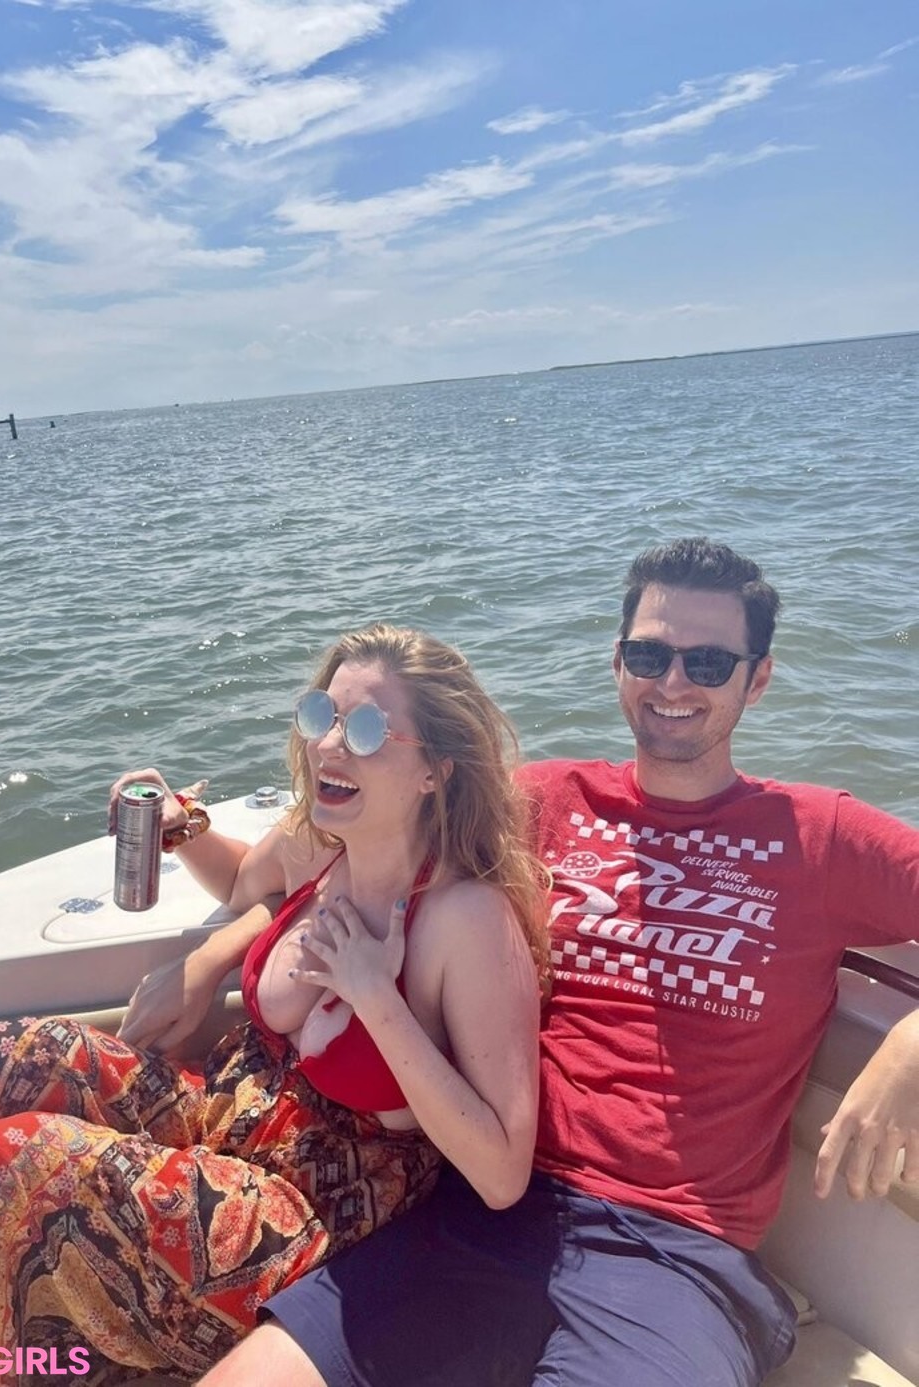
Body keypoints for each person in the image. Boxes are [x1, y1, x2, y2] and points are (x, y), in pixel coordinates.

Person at [185, 537, 919, 1387]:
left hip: (676, 1257)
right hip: (483, 1210)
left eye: (710, 662)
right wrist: (212, 953)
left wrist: (907, 1047)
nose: (673, 682)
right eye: (650, 655)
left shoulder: (820, 836)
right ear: (617, 663)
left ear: (757, 680)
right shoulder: (540, 802)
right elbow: (352, 859)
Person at [0, 624, 549, 1386]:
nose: (329, 746)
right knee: (11, 1057)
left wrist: (376, 996)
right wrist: (182, 827)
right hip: (226, 1117)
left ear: (435, 768)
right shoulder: (324, 840)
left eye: (367, 729)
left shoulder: (464, 918)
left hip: (315, 1208)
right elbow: (245, 882)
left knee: (21, 1162)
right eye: (323, 715)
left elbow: (501, 1170)